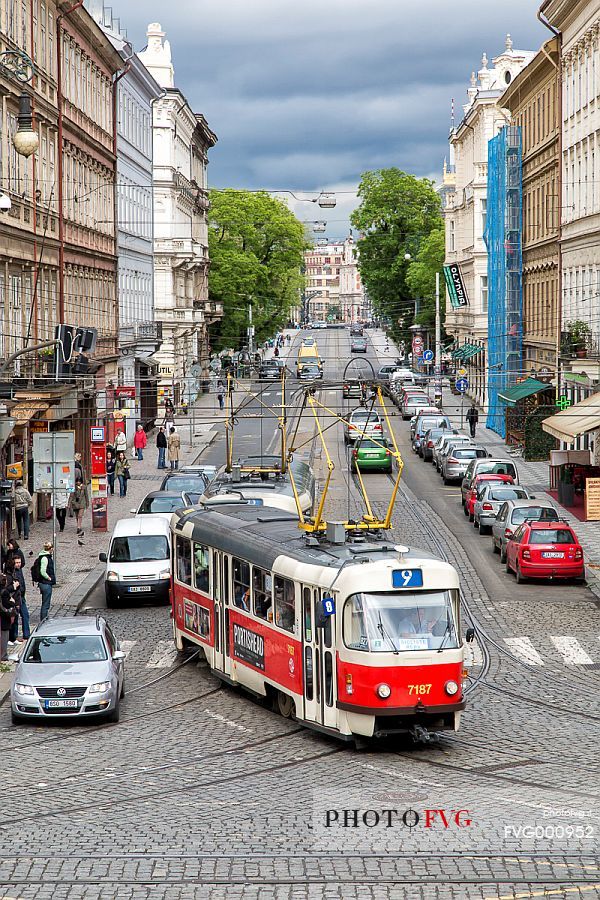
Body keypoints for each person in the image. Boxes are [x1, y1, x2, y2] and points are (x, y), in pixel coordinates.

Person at [33, 541, 55, 622]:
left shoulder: (44, 556)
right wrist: (48, 578)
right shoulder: (45, 558)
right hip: (45, 583)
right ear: (50, 549)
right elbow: (43, 571)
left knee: (45, 603)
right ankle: (43, 620)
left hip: (44, 583)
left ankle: (44, 618)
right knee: (46, 604)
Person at [9, 555, 29, 642]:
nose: (18, 564)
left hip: (22, 596)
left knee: (25, 615)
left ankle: (26, 634)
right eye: (17, 563)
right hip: (16, 597)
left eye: (19, 562)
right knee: (16, 617)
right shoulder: (11, 572)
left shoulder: (19, 570)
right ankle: (15, 636)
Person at [0, 576, 17, 661]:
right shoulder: (4, 592)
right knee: (4, 636)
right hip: (4, 617)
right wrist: (12, 602)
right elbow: (6, 604)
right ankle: (3, 655)